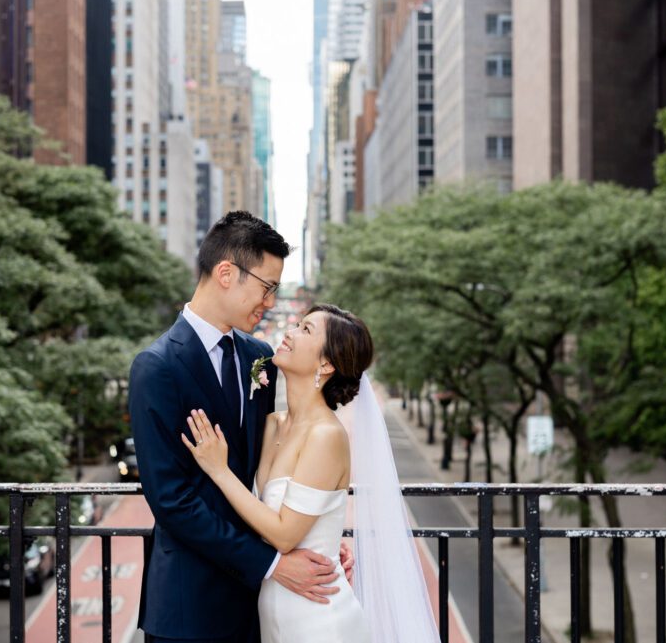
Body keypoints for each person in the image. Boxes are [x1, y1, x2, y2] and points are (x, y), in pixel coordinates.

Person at [129, 212, 353, 643]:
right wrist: (272, 563)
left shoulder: (261, 357)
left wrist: (315, 540)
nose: (271, 303)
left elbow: (268, 478)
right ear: (226, 273)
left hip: (259, 603)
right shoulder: (157, 368)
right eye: (268, 288)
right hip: (189, 606)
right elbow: (172, 502)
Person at [183, 304, 440, 642]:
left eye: (305, 330)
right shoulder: (273, 425)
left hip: (320, 618)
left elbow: (285, 534)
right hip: (273, 614)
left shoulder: (326, 436)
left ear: (326, 364)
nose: (289, 332)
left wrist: (219, 470)